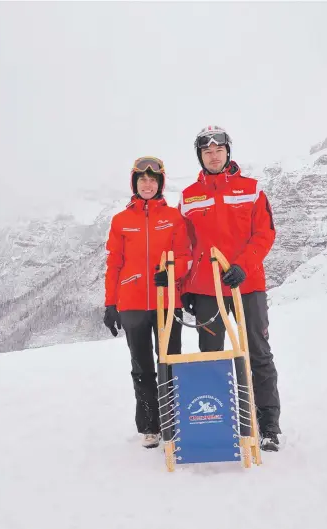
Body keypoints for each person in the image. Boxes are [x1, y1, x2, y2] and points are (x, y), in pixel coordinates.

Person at [179, 126, 281, 451]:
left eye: (218, 149)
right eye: (207, 151)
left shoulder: (251, 190)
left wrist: (242, 266)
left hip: (247, 286)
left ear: (227, 152)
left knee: (258, 354)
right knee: (212, 356)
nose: (213, 154)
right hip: (207, 293)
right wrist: (185, 289)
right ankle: (221, 423)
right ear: (200, 156)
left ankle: (268, 427)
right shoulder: (189, 197)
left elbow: (264, 234)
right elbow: (185, 247)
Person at [103, 156, 191, 449]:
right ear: (135, 184)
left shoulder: (174, 218)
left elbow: (184, 256)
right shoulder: (121, 221)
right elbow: (114, 263)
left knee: (170, 362)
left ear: (160, 184)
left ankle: (173, 421)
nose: (148, 184)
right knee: (141, 366)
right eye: (142, 180)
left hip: (167, 301)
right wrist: (110, 304)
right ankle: (150, 425)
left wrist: (170, 273)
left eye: (153, 180)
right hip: (131, 304)